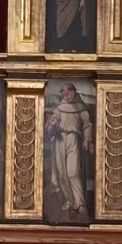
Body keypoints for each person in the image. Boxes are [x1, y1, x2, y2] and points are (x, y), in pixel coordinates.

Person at [46, 82, 92, 221]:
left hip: (73, 139)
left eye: (69, 93)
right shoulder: (58, 109)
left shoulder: (80, 108)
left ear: (73, 92)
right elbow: (49, 130)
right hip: (60, 140)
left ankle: (80, 203)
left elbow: (87, 125)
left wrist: (87, 138)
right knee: (61, 172)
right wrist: (52, 125)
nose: (67, 96)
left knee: (73, 171)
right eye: (64, 94)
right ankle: (69, 200)